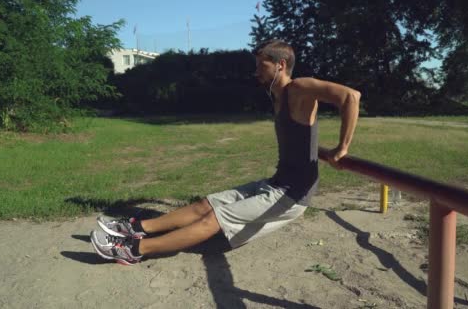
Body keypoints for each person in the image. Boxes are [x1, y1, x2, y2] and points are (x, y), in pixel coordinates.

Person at [90, 39, 361, 265]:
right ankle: (136, 229)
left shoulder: (298, 88)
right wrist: (320, 150)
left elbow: (351, 96)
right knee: (203, 205)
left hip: (293, 194)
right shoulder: (277, 95)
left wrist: (342, 148)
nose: (256, 71)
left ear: (280, 65)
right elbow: (300, 137)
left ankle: (134, 250)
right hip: (275, 183)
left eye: (261, 65)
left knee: (213, 219)